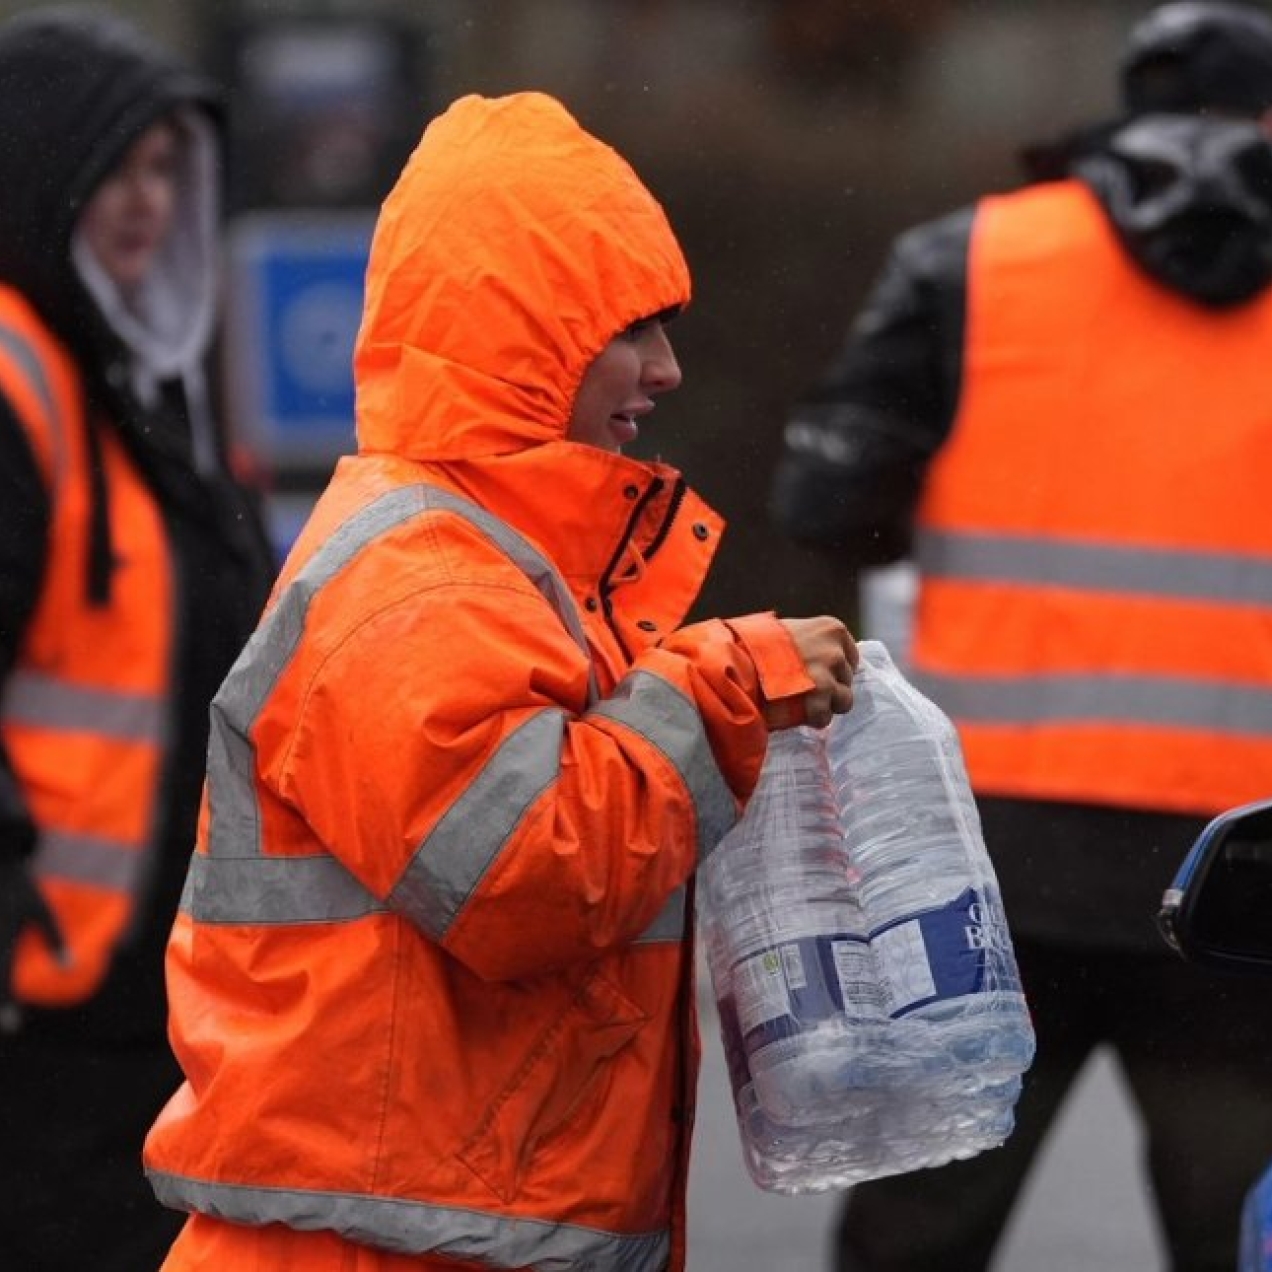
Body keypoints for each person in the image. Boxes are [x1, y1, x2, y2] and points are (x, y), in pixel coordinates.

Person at [142, 90, 858, 1271]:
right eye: (633, 328)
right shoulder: (420, 577)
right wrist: (726, 684)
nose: (668, 370)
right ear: (524, 338)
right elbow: (531, 876)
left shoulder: (485, 562)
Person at [767, 3, 1272, 1269]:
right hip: (1242, 873)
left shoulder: (968, 262)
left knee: (926, 1218)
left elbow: (825, 502)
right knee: (1246, 1219)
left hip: (995, 855)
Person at [0, 7, 278, 1270]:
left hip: (127, 1007)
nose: (147, 198)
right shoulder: (26, 378)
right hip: (47, 1014)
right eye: (118, 161)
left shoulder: (123, 381)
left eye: (170, 166)